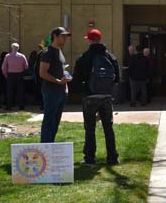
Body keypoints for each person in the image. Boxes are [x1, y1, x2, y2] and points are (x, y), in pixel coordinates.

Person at [73, 28, 120, 165]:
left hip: (90, 96)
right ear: (100, 39)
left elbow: (76, 80)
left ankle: (90, 158)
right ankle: (112, 157)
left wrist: (82, 89)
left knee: (90, 128)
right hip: (106, 96)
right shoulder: (111, 57)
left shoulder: (84, 57)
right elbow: (117, 78)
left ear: (89, 40)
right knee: (108, 128)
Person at [39, 27, 72, 143]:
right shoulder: (48, 52)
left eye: (66, 36)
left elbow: (61, 70)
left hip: (61, 91)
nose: (65, 38)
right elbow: (42, 73)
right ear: (55, 36)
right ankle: (45, 146)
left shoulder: (60, 51)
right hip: (51, 91)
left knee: (55, 121)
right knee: (49, 120)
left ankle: (51, 145)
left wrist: (65, 85)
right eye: (63, 36)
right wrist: (58, 81)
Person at [2, 42, 29, 111]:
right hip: (20, 74)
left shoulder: (7, 56)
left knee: (10, 91)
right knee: (20, 91)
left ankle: (9, 106)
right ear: (18, 48)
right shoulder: (22, 56)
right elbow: (26, 66)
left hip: (10, 74)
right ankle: (21, 106)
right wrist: (23, 71)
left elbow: (4, 67)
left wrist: (5, 74)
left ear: (11, 48)